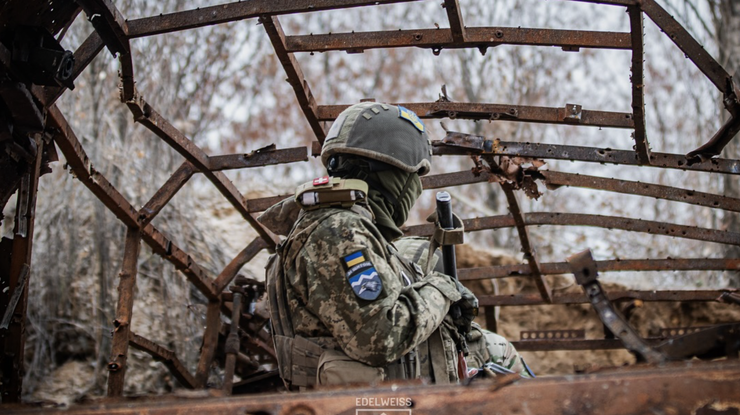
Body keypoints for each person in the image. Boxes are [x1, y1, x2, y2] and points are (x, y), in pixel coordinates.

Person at [258, 102, 530, 389]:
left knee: (495, 351)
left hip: (394, 404)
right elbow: (383, 334)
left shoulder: (349, 230)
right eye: (413, 177)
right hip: (367, 408)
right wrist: (442, 288)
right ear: (392, 173)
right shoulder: (337, 228)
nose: (416, 188)